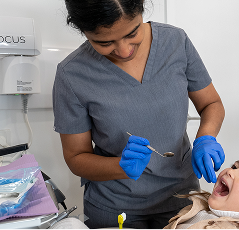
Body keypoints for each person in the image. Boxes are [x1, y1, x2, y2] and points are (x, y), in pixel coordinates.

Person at [52, 0, 226, 229]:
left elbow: (211, 103)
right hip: (114, 206)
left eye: (133, 32)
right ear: (82, 31)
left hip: (182, 200)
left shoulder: (176, 42)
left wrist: (206, 137)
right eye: (104, 42)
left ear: (142, 10)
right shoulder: (71, 74)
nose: (124, 51)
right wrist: (119, 166)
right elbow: (76, 157)